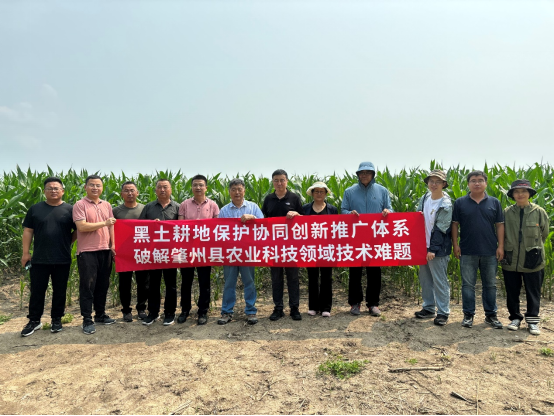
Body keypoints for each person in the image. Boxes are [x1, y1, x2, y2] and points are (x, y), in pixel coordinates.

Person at [20, 177, 77, 337]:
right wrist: (25, 253)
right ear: (44, 191)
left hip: (62, 258)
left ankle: (56, 319)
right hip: (39, 258)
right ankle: (34, 320)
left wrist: (67, 242)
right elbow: (28, 231)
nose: (53, 191)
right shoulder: (35, 209)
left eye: (56, 188)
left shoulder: (70, 210)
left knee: (60, 290)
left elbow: (77, 230)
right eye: (49, 188)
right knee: (37, 290)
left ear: (62, 191)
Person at [452, 170, 505, 329]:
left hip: (490, 250)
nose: (477, 183)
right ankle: (468, 315)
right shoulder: (460, 202)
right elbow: (455, 224)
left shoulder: (494, 202)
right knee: (468, 285)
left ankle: (491, 315)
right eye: (473, 180)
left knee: (490, 285)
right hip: (467, 250)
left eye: (480, 180)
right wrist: (455, 244)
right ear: (468, 184)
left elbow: (499, 225)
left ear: (486, 183)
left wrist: (500, 246)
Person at [341, 162, 392, 317]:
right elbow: (343, 210)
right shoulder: (349, 192)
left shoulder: (382, 191)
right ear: (358, 175)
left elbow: (390, 208)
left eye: (367, 172)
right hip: (355, 237)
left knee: (374, 271)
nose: (364, 175)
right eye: (361, 173)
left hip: (375, 237)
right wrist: (349, 213)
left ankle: (373, 304)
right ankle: (355, 303)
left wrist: (387, 211)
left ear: (373, 175)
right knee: (355, 271)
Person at [502, 180, 550, 336]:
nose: (520, 194)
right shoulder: (507, 212)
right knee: (512, 290)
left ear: (529, 193)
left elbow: (544, 233)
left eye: (524, 191)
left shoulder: (539, 212)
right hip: (511, 257)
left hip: (533, 257)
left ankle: (532, 321)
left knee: (533, 291)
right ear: (512, 195)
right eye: (516, 191)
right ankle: (515, 318)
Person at [73, 175, 117, 335]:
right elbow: (81, 227)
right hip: (87, 252)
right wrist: (104, 223)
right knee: (87, 286)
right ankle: (87, 319)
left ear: (102, 188)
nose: (95, 188)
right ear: (85, 187)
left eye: (98, 185)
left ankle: (100, 314)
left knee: (102, 285)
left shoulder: (106, 205)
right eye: (92, 185)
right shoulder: (80, 205)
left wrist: (113, 245)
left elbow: (111, 226)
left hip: (105, 250)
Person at [218, 178, 264, 326]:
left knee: (249, 282)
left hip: (248, 252)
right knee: (229, 283)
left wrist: (253, 218)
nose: (237, 192)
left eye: (239, 189)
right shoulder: (224, 210)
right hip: (230, 253)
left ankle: (251, 311)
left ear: (244, 191)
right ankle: (226, 312)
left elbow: (264, 225)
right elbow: (218, 231)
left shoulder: (253, 207)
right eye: (233, 190)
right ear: (229, 192)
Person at [178, 175, 220, 326]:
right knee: (186, 282)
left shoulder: (213, 205)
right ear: (191, 187)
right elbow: (180, 226)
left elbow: (217, 227)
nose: (198, 187)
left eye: (201, 185)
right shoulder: (184, 204)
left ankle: (203, 311)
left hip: (205, 250)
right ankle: (185, 310)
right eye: (195, 185)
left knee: (204, 282)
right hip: (187, 249)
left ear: (206, 188)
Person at [262, 169, 304, 321]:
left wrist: (297, 214)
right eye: (276, 180)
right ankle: (278, 308)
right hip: (274, 246)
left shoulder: (294, 198)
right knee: (276, 278)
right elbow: (262, 221)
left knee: (293, 278)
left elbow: (304, 220)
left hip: (291, 246)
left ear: (287, 181)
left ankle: (294, 308)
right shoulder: (268, 199)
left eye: (282, 180)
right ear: (272, 182)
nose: (279, 183)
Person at [139, 179, 180, 327]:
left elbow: (183, 228)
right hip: (154, 252)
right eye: (159, 187)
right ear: (155, 190)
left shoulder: (177, 207)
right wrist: (151, 224)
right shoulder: (149, 207)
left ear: (171, 190)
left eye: (165, 187)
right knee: (153, 284)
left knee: (171, 284)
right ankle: (153, 313)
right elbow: (140, 227)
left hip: (171, 252)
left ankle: (170, 313)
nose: (162, 190)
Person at [414, 170, 452, 326]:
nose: (434, 184)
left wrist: (432, 249)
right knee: (425, 280)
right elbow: (417, 219)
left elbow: (441, 229)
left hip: (438, 249)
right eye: (431, 181)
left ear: (444, 184)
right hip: (423, 246)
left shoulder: (446, 204)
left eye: (438, 182)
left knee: (439, 280)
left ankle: (443, 312)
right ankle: (429, 308)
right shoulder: (425, 198)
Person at [113, 181, 149, 323]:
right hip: (124, 253)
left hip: (141, 251)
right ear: (121, 194)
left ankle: (141, 308)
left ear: (137, 193)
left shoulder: (145, 209)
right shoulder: (116, 211)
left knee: (143, 282)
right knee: (124, 283)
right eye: (126, 191)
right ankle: (126, 310)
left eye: (132, 190)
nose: (129, 193)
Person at [303, 182, 339, 318]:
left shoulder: (332, 209)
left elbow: (337, 228)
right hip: (310, 248)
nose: (319, 194)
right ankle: (313, 306)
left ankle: (326, 307)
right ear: (312, 194)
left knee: (326, 278)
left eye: (321, 191)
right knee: (312, 278)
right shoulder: (305, 209)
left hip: (327, 248)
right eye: (316, 191)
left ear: (325, 194)